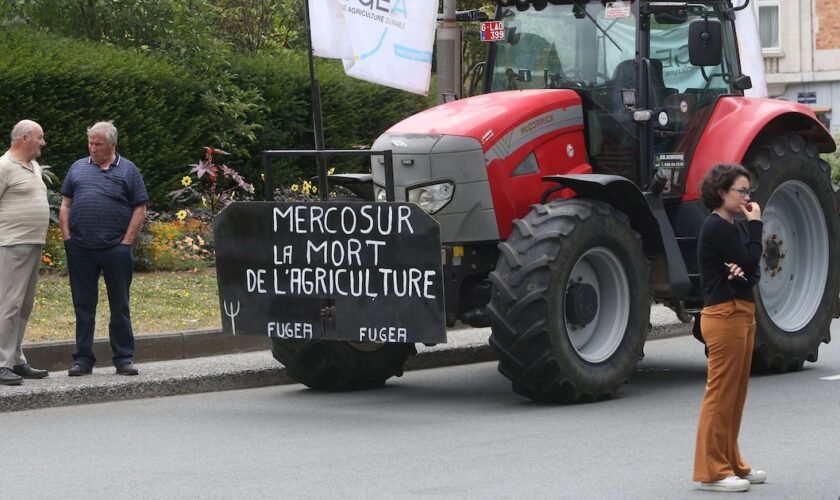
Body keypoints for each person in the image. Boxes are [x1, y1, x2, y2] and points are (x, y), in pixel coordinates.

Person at [693, 163, 767, 492]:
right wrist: (756, 225)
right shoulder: (718, 227)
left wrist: (744, 267)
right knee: (721, 395)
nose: (746, 197)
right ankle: (712, 471)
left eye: (748, 191)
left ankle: (731, 462)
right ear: (722, 192)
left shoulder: (732, 227)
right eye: (741, 191)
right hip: (724, 315)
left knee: (735, 396)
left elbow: (752, 272)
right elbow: (750, 260)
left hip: (741, 312)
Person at [59, 121, 148, 376]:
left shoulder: (129, 170)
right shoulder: (77, 168)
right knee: (83, 306)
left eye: (98, 144)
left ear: (112, 145)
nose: (93, 148)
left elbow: (139, 208)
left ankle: (123, 358)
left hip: (115, 250)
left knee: (120, 305)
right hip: (81, 249)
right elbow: (65, 205)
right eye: (90, 143)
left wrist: (126, 242)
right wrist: (67, 238)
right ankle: (83, 359)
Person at [0, 120, 51, 386]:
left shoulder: (34, 167)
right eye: (40, 137)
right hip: (10, 244)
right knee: (7, 304)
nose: (43, 142)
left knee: (24, 305)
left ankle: (16, 360)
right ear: (24, 138)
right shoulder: (4, 166)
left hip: (32, 243)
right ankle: (1, 363)